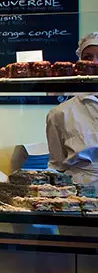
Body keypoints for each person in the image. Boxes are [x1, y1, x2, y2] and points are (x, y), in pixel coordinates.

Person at [46, 33, 98, 184]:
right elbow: (57, 166)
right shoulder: (60, 114)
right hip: (80, 194)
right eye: (88, 57)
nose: (94, 63)